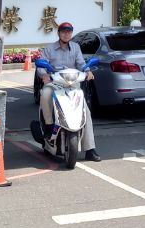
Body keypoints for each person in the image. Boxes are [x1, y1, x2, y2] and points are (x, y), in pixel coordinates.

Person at [34, 22, 101, 161]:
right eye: (64, 31)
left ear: (71, 34)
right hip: (55, 83)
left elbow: (81, 64)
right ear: (59, 33)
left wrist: (88, 71)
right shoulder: (49, 49)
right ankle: (49, 125)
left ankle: (90, 149)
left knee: (86, 112)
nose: (66, 34)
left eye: (69, 32)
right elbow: (41, 65)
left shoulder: (75, 47)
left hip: (72, 85)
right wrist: (44, 75)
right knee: (45, 94)